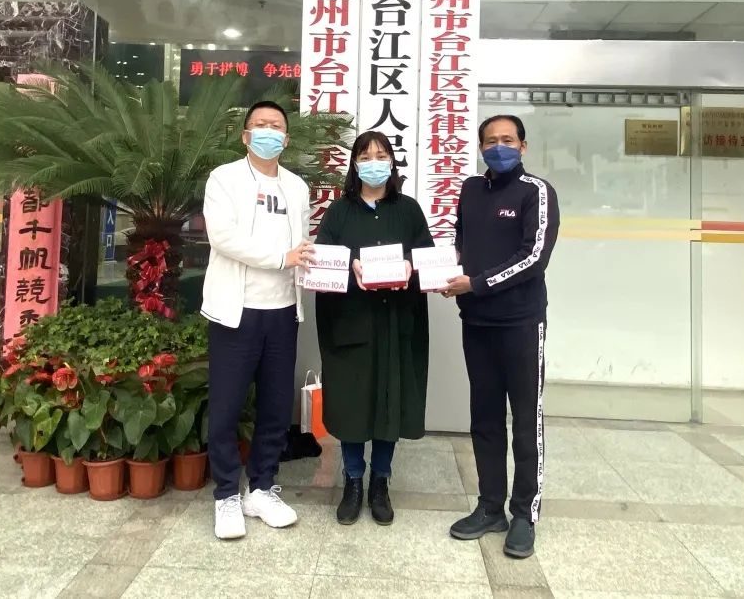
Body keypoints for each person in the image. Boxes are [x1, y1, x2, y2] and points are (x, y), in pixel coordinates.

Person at [440, 114, 560, 559]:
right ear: (480, 147)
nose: (498, 147)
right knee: (485, 419)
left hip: (521, 323)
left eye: (507, 139)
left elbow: (534, 257)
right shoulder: (471, 189)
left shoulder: (537, 192)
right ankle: (490, 506)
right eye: (490, 141)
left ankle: (524, 513)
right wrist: (446, 272)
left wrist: (476, 283)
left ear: (523, 146)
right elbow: (461, 242)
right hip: (477, 323)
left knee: (526, 419)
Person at [201, 100, 315, 540]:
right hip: (236, 311)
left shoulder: (297, 186)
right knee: (226, 407)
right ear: (245, 135)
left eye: (276, 126)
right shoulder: (224, 178)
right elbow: (223, 237)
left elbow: (303, 244)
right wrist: (280, 258)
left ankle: (262, 488)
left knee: (275, 406)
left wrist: (313, 262)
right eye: (260, 125)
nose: (269, 131)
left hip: (283, 311)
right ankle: (226, 494)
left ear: (286, 138)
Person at [314, 130, 435, 526]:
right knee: (353, 403)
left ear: (392, 162)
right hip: (351, 323)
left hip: (397, 322)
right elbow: (322, 261)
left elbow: (428, 257)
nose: (374, 163)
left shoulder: (409, 210)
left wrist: (410, 265)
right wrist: (350, 264)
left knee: (390, 401)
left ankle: (380, 481)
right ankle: (352, 480)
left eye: (381, 155)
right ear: (354, 164)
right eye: (365, 156)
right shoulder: (339, 211)